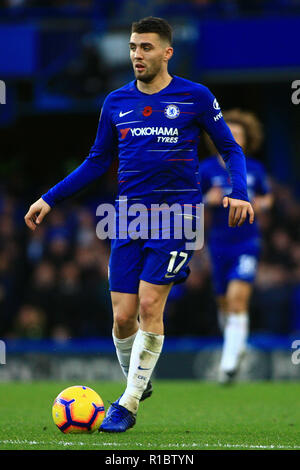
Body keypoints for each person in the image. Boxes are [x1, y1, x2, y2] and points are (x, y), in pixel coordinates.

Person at [24, 17, 254, 432]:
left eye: (146, 48)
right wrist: (49, 198)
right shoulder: (115, 102)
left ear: (167, 52)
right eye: (132, 47)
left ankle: (127, 403)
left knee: (150, 306)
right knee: (122, 318)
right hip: (127, 217)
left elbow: (230, 149)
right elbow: (97, 161)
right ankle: (139, 380)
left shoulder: (195, 96)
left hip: (177, 217)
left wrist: (240, 190)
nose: (137, 55)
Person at [198, 109, 273, 384]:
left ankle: (229, 363)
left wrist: (255, 202)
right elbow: (191, 202)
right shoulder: (206, 169)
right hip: (218, 245)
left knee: (237, 299)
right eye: (229, 134)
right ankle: (235, 345)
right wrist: (208, 199)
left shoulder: (254, 169)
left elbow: (268, 199)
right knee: (223, 302)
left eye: (239, 135)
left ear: (247, 140)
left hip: (247, 242)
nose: (234, 139)